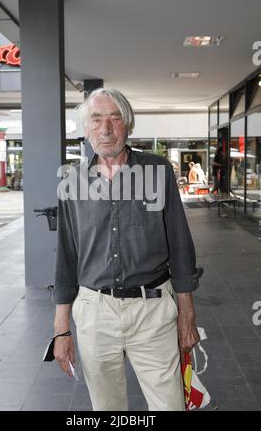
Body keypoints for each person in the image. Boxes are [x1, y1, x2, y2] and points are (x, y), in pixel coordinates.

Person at [53, 88, 201, 411]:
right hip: (95, 312)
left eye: (114, 118)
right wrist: (61, 329)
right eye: (96, 119)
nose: (105, 128)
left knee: (170, 406)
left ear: (128, 124)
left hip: (153, 313)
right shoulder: (72, 183)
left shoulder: (158, 172)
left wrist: (186, 314)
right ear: (87, 128)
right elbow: (65, 258)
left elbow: (180, 246)